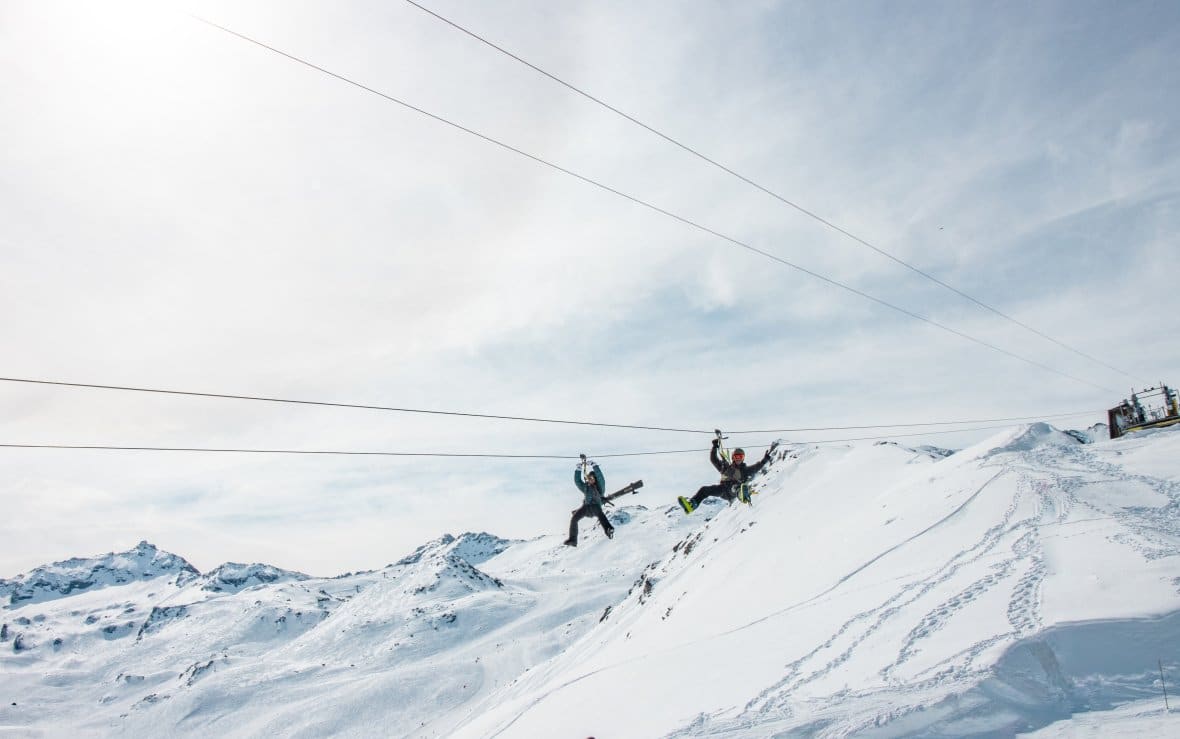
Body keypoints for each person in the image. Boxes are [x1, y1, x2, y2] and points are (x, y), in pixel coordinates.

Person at [678, 439, 774, 514]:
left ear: (743, 458)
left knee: (737, 487)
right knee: (704, 490)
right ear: (733, 458)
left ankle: (743, 495)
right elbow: (713, 459)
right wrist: (715, 447)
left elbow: (756, 468)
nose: (738, 459)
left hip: (734, 491)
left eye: (740, 457)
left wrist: (764, 460)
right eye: (736, 457)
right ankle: (691, 506)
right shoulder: (725, 468)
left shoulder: (744, 470)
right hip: (723, 490)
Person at [565, 460, 614, 546]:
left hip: (595, 507)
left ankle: (608, 529)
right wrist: (578, 469)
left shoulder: (600, 487)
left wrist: (594, 465)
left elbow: (600, 477)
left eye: (592, 478)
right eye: (588, 478)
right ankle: (573, 540)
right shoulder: (586, 487)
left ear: (595, 479)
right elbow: (578, 482)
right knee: (574, 519)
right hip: (586, 507)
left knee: (601, 515)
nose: (590, 480)